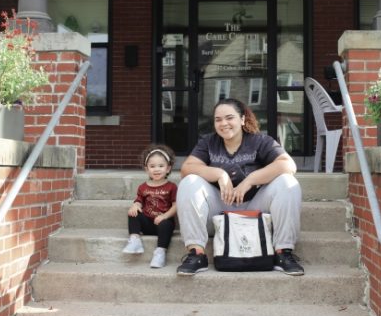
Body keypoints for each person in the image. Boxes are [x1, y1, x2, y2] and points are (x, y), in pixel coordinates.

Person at [176, 98, 304, 276]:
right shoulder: (208, 142)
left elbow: (288, 165)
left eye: (229, 118)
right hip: (219, 210)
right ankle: (196, 253)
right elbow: (187, 168)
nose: (223, 123)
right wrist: (220, 174)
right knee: (189, 182)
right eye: (218, 119)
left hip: (255, 208)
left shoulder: (260, 141)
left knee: (288, 182)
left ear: (242, 119)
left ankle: (283, 252)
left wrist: (250, 180)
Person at [122, 144, 178, 268]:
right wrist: (135, 206)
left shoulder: (171, 187)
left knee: (166, 223)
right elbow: (139, 201)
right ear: (146, 169)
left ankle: (160, 252)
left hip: (163, 224)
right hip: (147, 223)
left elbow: (176, 205)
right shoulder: (143, 187)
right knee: (133, 213)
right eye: (152, 166)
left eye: (161, 166)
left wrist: (165, 216)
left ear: (168, 168)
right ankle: (135, 239)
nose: (156, 169)